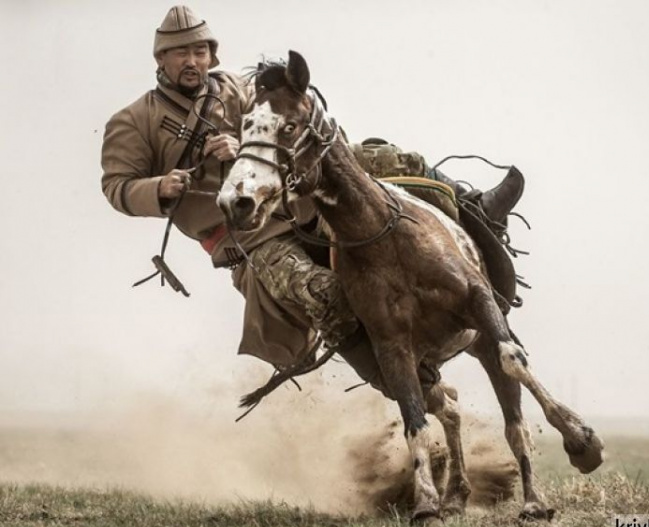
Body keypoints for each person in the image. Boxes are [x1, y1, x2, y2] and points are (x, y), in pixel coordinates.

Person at [101, 5, 524, 385]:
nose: (192, 62)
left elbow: (284, 121)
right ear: (161, 59)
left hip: (297, 195)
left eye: (199, 52)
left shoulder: (238, 88)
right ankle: (403, 378)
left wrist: (325, 152)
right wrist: (162, 186)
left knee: (397, 160)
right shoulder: (136, 120)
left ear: (212, 55)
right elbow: (116, 186)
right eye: (180, 53)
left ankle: (474, 209)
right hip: (248, 239)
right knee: (325, 296)